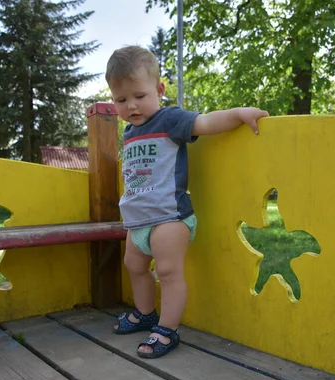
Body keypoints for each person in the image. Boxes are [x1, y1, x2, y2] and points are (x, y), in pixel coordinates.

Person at [106, 45, 269, 359]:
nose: (132, 106)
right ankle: (144, 314)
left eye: (139, 96)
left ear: (159, 89)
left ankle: (167, 330)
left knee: (167, 272)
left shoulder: (170, 119)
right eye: (121, 100)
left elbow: (206, 123)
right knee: (134, 266)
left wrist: (238, 114)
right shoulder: (129, 132)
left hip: (169, 217)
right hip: (138, 220)